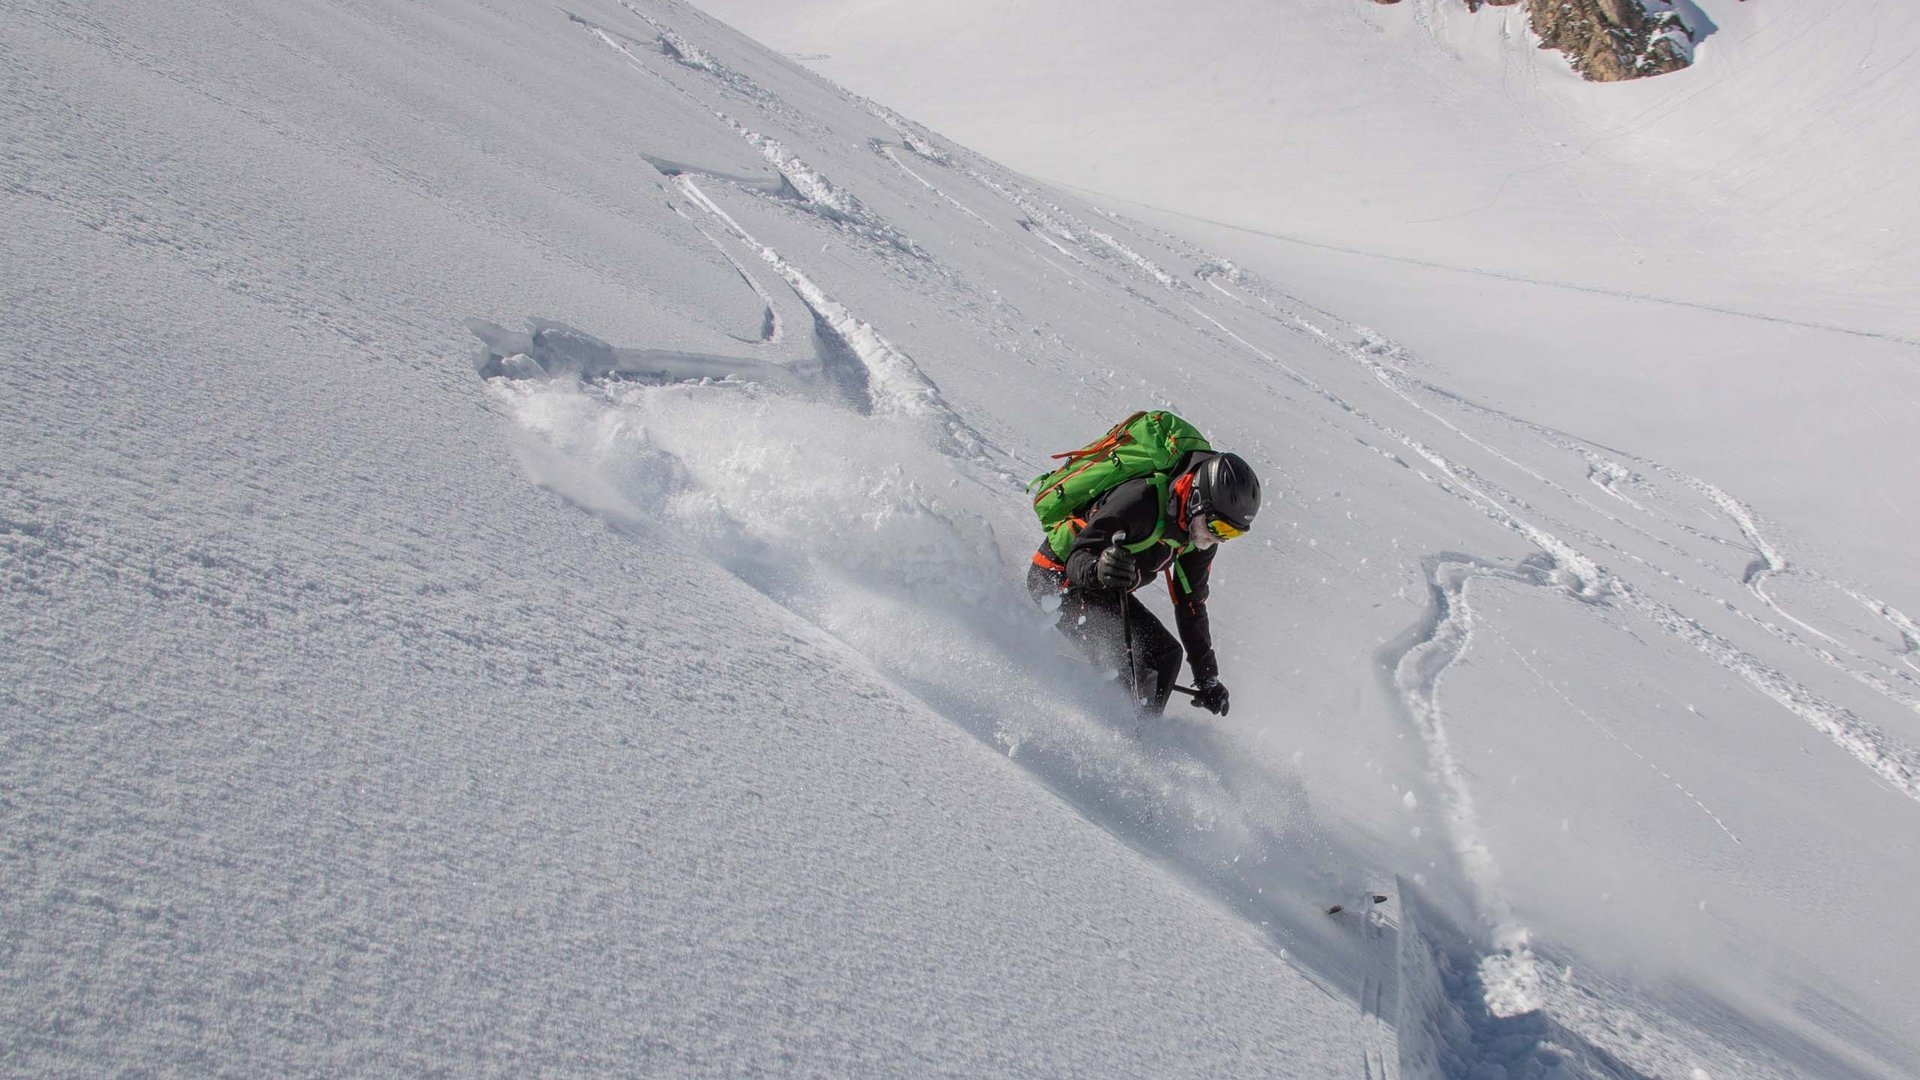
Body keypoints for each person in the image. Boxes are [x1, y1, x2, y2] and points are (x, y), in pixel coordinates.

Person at [1026, 450, 1262, 716]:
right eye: (1219, 527)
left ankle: (1142, 734)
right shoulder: (1140, 503)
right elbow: (1078, 556)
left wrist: (1207, 676)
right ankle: (1105, 727)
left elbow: (1191, 603)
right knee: (1134, 667)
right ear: (1197, 499)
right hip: (1057, 580)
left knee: (1164, 658)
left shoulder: (1197, 535)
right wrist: (1098, 568)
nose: (1219, 539)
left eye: (1232, 534)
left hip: (1101, 590)